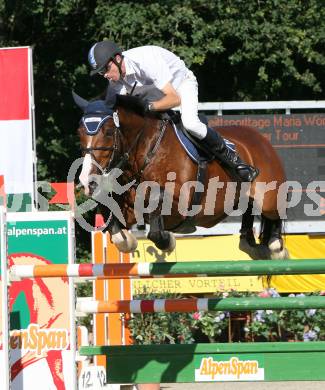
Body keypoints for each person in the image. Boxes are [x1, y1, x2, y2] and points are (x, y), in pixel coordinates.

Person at [88, 40, 259, 182]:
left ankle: (234, 161)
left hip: (180, 86)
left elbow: (174, 99)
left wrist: (148, 107)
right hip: (153, 92)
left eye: (105, 69)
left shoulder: (147, 60)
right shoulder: (115, 82)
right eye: (100, 72)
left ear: (117, 59)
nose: (104, 75)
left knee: (191, 124)